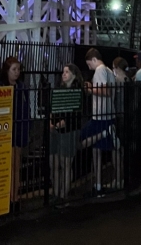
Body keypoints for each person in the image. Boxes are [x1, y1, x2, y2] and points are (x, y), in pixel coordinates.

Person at [81, 48, 117, 193]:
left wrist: (90, 90)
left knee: (89, 146)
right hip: (109, 114)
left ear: (94, 60)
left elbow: (106, 91)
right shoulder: (109, 70)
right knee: (106, 150)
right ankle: (108, 182)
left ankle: (97, 184)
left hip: (100, 115)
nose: (89, 67)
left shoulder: (100, 70)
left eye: (89, 64)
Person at [49, 63, 83, 203]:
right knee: (54, 162)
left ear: (74, 75)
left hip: (68, 130)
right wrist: (51, 121)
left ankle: (63, 194)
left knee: (66, 162)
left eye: (67, 72)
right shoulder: (59, 89)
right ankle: (56, 192)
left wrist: (65, 122)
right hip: (55, 129)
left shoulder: (77, 91)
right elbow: (52, 106)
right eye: (63, 72)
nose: (64, 74)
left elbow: (77, 113)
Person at [0, 57, 29, 203]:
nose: (17, 72)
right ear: (7, 71)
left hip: (18, 127)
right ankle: (6, 195)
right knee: (7, 164)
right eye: (14, 69)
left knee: (16, 164)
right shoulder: (2, 87)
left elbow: (26, 108)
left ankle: (14, 195)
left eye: (18, 69)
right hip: (7, 128)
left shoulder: (21, 87)